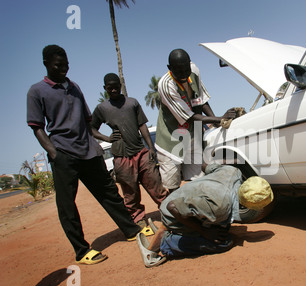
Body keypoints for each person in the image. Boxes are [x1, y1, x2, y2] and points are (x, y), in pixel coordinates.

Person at [26, 45, 149, 265]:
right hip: (63, 154)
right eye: (58, 65)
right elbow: (37, 127)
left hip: (88, 151)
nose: (64, 69)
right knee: (67, 205)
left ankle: (130, 229)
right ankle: (82, 250)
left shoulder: (74, 87)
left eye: (66, 64)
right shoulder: (37, 91)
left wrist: (99, 141)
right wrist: (53, 152)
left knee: (109, 192)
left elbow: (87, 121)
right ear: (46, 64)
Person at [135, 163, 274, 267]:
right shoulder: (221, 206)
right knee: (223, 242)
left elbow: (205, 166)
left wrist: (208, 186)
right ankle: (165, 242)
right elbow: (173, 207)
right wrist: (205, 232)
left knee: (222, 226)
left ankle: (172, 230)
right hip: (172, 213)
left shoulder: (233, 171)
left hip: (182, 198)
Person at [91, 73, 169, 229]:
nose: (113, 90)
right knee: (130, 191)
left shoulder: (132, 103)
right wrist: (107, 138)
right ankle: (138, 218)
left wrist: (150, 147)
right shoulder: (102, 108)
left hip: (141, 152)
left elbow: (142, 126)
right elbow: (91, 128)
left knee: (155, 184)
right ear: (105, 88)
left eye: (116, 87)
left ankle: (168, 211)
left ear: (121, 86)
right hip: (121, 156)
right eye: (109, 88)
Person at [156, 49, 237, 193]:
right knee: (173, 184)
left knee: (199, 178)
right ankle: (175, 213)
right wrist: (219, 118)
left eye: (185, 69)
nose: (183, 75)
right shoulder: (166, 85)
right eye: (178, 71)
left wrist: (218, 123)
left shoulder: (194, 71)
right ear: (169, 68)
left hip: (192, 137)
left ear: (190, 63)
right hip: (171, 141)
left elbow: (200, 101)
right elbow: (190, 116)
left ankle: (197, 208)